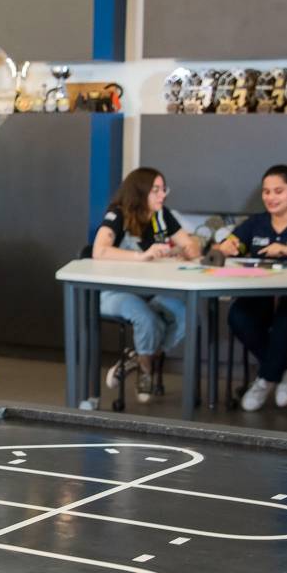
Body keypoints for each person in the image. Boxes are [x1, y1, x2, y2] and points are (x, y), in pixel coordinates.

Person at [214, 164, 287, 412]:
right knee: (238, 316)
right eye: (266, 192)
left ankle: (265, 379)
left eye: (278, 191)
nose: (270, 197)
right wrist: (224, 248)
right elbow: (225, 246)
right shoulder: (255, 223)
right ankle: (284, 369)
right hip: (262, 294)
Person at [90, 166, 202, 404]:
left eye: (164, 189)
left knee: (188, 315)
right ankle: (146, 370)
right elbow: (99, 251)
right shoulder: (118, 215)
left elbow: (191, 245)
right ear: (140, 192)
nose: (162, 195)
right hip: (115, 292)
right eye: (156, 190)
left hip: (151, 292)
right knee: (147, 319)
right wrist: (141, 256)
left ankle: (139, 359)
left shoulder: (162, 215)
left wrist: (185, 249)